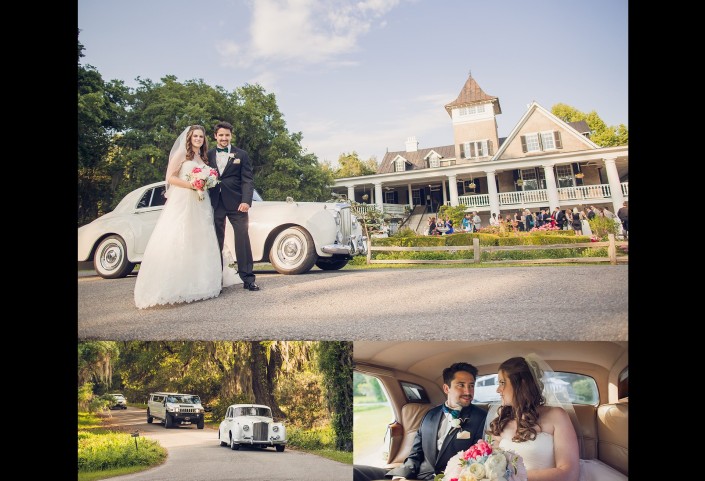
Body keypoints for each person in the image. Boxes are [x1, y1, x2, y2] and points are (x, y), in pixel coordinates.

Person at [485, 356, 626, 481]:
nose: (498, 390)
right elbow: (491, 461)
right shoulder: (500, 421)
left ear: (521, 384)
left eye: (502, 383)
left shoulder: (556, 416)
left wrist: (515, 477)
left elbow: (569, 473)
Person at [134, 125, 223, 308]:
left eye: (201, 136)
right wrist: (192, 185)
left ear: (204, 139)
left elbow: (206, 178)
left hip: (201, 202)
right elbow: (170, 178)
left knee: (199, 239)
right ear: (189, 138)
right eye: (195, 136)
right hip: (184, 199)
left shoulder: (202, 157)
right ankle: (172, 286)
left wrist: (205, 182)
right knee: (178, 236)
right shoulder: (182, 155)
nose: (198, 139)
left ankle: (199, 284)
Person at [353, 362, 488, 481]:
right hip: (417, 474)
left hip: (451, 478)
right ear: (446, 389)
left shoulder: (481, 417)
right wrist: (401, 475)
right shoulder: (430, 415)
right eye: (461, 385)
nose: (468, 391)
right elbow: (415, 453)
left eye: (471, 385)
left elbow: (477, 461)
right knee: (354, 472)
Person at [208, 121, 260, 291]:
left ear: (231, 136)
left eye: (227, 135)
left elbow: (247, 180)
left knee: (242, 239)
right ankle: (216, 280)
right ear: (215, 136)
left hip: (237, 203)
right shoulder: (207, 155)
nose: (224, 138)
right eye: (221, 135)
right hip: (215, 203)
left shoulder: (241, 154)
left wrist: (246, 201)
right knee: (216, 240)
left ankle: (248, 279)